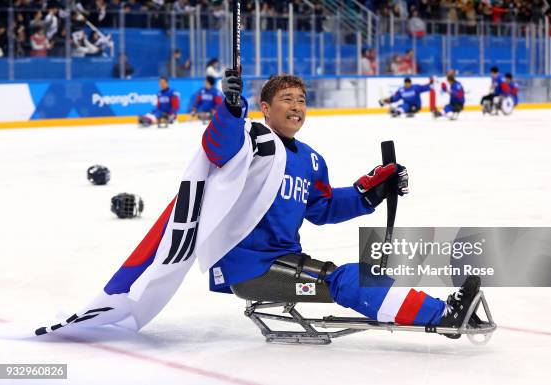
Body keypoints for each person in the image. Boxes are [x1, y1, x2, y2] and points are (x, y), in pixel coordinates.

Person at [201, 68, 482, 336]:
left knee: (359, 275)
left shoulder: (310, 160)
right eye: (287, 99)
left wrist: (369, 192)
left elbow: (324, 208)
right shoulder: (250, 143)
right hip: (251, 267)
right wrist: (231, 109)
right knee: (347, 279)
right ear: (265, 108)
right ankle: (444, 315)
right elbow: (218, 146)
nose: (296, 107)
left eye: (302, 100)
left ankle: (442, 309)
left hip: (283, 260)